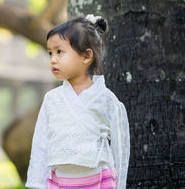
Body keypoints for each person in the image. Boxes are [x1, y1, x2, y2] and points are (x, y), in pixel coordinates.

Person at [25, 14, 130, 189]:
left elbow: (120, 146)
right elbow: (40, 144)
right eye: (50, 53)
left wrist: (119, 185)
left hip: (98, 180)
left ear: (86, 56)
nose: (53, 59)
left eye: (59, 51)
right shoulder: (52, 99)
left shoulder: (106, 99)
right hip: (59, 181)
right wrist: (37, 183)